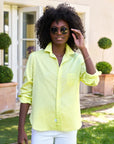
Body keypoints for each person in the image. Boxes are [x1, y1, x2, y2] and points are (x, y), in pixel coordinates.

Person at [18, 3, 100, 144]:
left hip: (68, 127)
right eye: (54, 30)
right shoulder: (35, 58)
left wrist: (83, 49)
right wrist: (20, 129)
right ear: (47, 32)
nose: (59, 33)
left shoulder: (77, 59)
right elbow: (26, 94)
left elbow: (93, 81)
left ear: (71, 32)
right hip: (41, 126)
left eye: (63, 29)